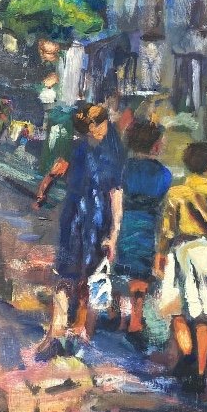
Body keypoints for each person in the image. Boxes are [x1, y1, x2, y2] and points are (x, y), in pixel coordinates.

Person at [33, 103, 124, 359]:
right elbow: (116, 196)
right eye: (103, 122)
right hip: (88, 219)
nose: (106, 127)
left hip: (82, 218)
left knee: (75, 275)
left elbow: (53, 173)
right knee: (79, 275)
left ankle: (67, 329)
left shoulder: (78, 152)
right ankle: (69, 329)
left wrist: (42, 193)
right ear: (93, 127)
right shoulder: (105, 158)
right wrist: (114, 234)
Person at [154, 142, 207, 395]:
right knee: (204, 313)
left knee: (176, 308)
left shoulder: (176, 192)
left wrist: (161, 253)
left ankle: (187, 353)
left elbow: (167, 228)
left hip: (180, 249)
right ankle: (200, 371)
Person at [113, 120, 173, 350]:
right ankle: (135, 322)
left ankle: (119, 315)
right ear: (154, 145)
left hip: (125, 220)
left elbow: (117, 196)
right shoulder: (163, 174)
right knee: (141, 275)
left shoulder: (123, 168)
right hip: (148, 225)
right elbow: (163, 206)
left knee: (120, 269)